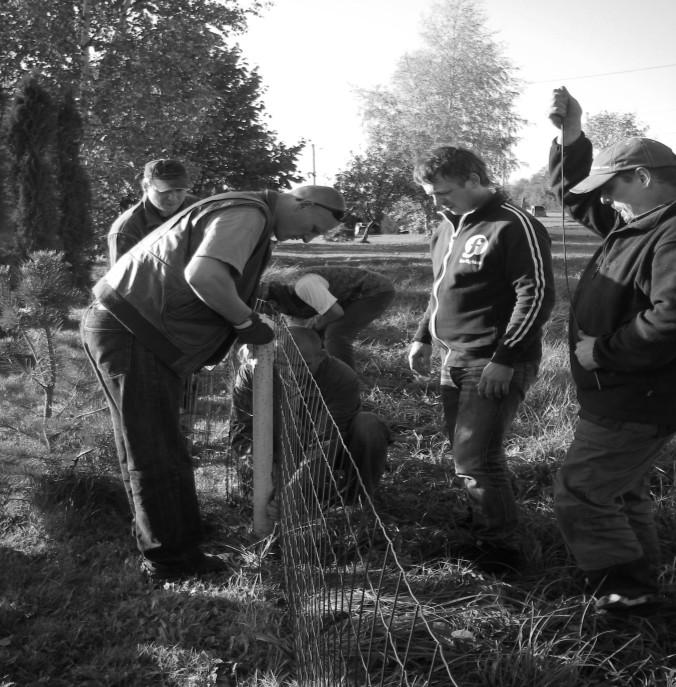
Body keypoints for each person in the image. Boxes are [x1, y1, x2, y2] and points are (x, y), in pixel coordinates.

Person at [81, 185, 346, 582]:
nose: (307, 238)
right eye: (311, 226)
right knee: (155, 448)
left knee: (149, 444)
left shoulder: (244, 210)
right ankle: (172, 561)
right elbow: (204, 275)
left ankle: (171, 539)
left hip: (128, 326)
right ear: (302, 202)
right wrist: (245, 323)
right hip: (134, 332)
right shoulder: (249, 214)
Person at [548, 86, 676, 613]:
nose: (604, 199)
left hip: (637, 394)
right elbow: (575, 195)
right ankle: (642, 587)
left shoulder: (668, 234)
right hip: (623, 392)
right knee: (620, 492)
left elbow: (671, 318)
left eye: (613, 185)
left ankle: (628, 600)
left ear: (641, 178)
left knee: (581, 492)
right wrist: (571, 134)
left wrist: (602, 353)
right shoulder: (637, 223)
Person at [408, 145, 555, 573]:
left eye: (445, 192)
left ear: (474, 179)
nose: (436, 201)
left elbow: (536, 294)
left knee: (477, 456)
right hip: (453, 357)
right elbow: (441, 289)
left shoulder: (513, 224)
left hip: (493, 361)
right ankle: (479, 526)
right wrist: (422, 336)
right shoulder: (445, 229)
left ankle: (503, 550)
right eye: (430, 193)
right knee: (462, 451)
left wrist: (506, 357)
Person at [230, 326, 389, 503]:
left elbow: (328, 440)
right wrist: (261, 470)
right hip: (277, 449)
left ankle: (356, 499)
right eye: (282, 364)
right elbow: (242, 428)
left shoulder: (341, 376)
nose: (292, 374)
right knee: (268, 496)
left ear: (321, 357)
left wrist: (296, 488)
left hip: (330, 449)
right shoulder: (253, 372)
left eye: (302, 365)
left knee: (369, 425)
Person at [260, 266, 395, 370]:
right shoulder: (285, 298)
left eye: (273, 312)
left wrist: (316, 326)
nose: (278, 315)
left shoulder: (303, 286)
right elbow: (298, 334)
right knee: (317, 334)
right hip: (346, 298)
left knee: (336, 333)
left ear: (273, 304)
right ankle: (319, 372)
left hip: (373, 290)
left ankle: (346, 382)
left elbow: (335, 312)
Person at [107, 158, 199, 265]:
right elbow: (122, 279)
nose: (172, 197)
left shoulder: (199, 209)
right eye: (165, 190)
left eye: (179, 190)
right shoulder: (127, 229)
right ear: (146, 186)